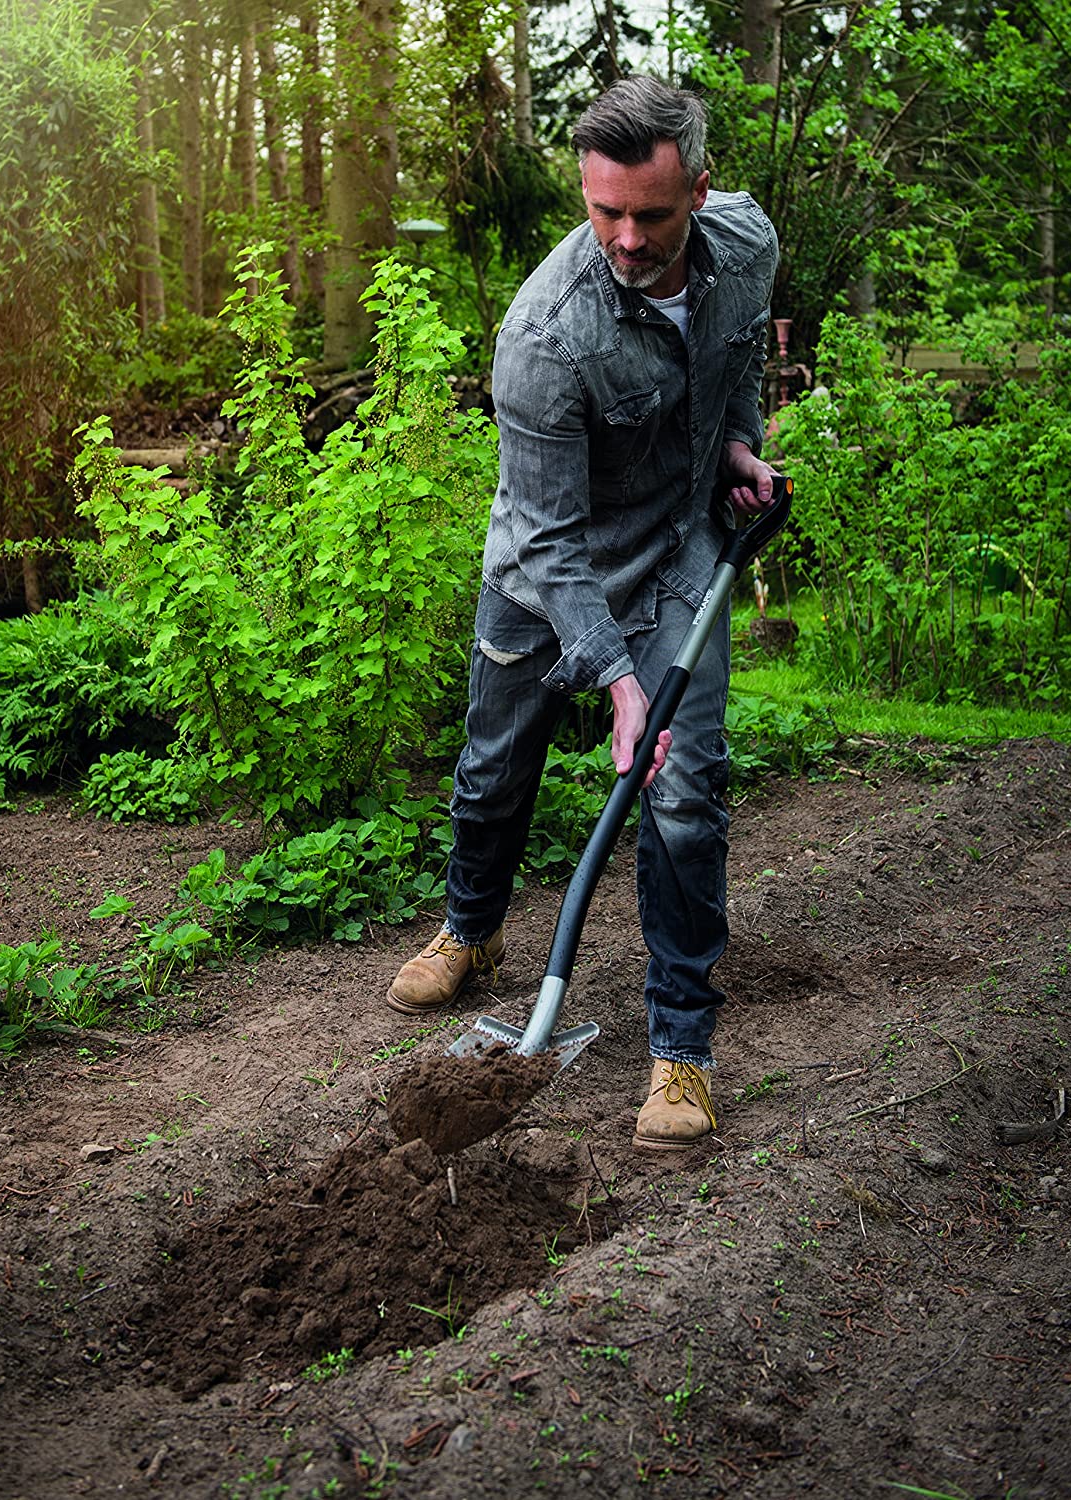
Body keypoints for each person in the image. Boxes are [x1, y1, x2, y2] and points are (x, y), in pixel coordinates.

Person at [387, 74, 780, 1150]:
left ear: (700, 191)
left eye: (651, 213)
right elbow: (553, 543)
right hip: (544, 570)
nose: (624, 235)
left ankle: (681, 1052)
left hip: (679, 553)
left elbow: (735, 353)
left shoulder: (745, 247)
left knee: (687, 789)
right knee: (492, 768)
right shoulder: (544, 334)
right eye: (603, 210)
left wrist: (738, 444)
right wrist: (614, 684)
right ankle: (473, 930)